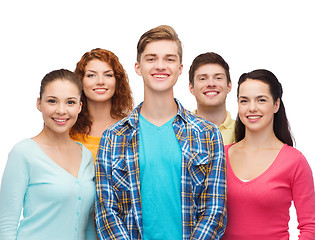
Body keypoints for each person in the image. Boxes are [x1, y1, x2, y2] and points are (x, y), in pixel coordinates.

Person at [95, 25, 227, 240]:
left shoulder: (208, 134)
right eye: (151, 58)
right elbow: (107, 214)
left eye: (169, 59)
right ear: (138, 67)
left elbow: (214, 212)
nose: (160, 66)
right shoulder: (113, 137)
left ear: (180, 68)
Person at [0, 69, 97, 240]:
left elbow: (88, 225)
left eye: (70, 102)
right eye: (52, 101)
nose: (61, 110)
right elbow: (6, 224)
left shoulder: (87, 157)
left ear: (80, 107)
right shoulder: (23, 153)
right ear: (39, 104)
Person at [222, 69, 315, 239]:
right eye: (244, 101)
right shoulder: (221, 155)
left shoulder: (295, 161)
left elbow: (310, 226)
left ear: (276, 105)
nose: (251, 108)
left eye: (261, 100)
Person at [70, 48, 133, 159]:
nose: (100, 81)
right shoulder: (67, 129)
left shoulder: (131, 128)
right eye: (91, 75)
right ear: (80, 82)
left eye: (108, 75)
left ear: (117, 81)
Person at [189, 52, 235, 145]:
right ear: (191, 88)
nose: (211, 83)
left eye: (218, 78)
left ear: (229, 86)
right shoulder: (178, 131)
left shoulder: (245, 131)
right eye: (202, 79)